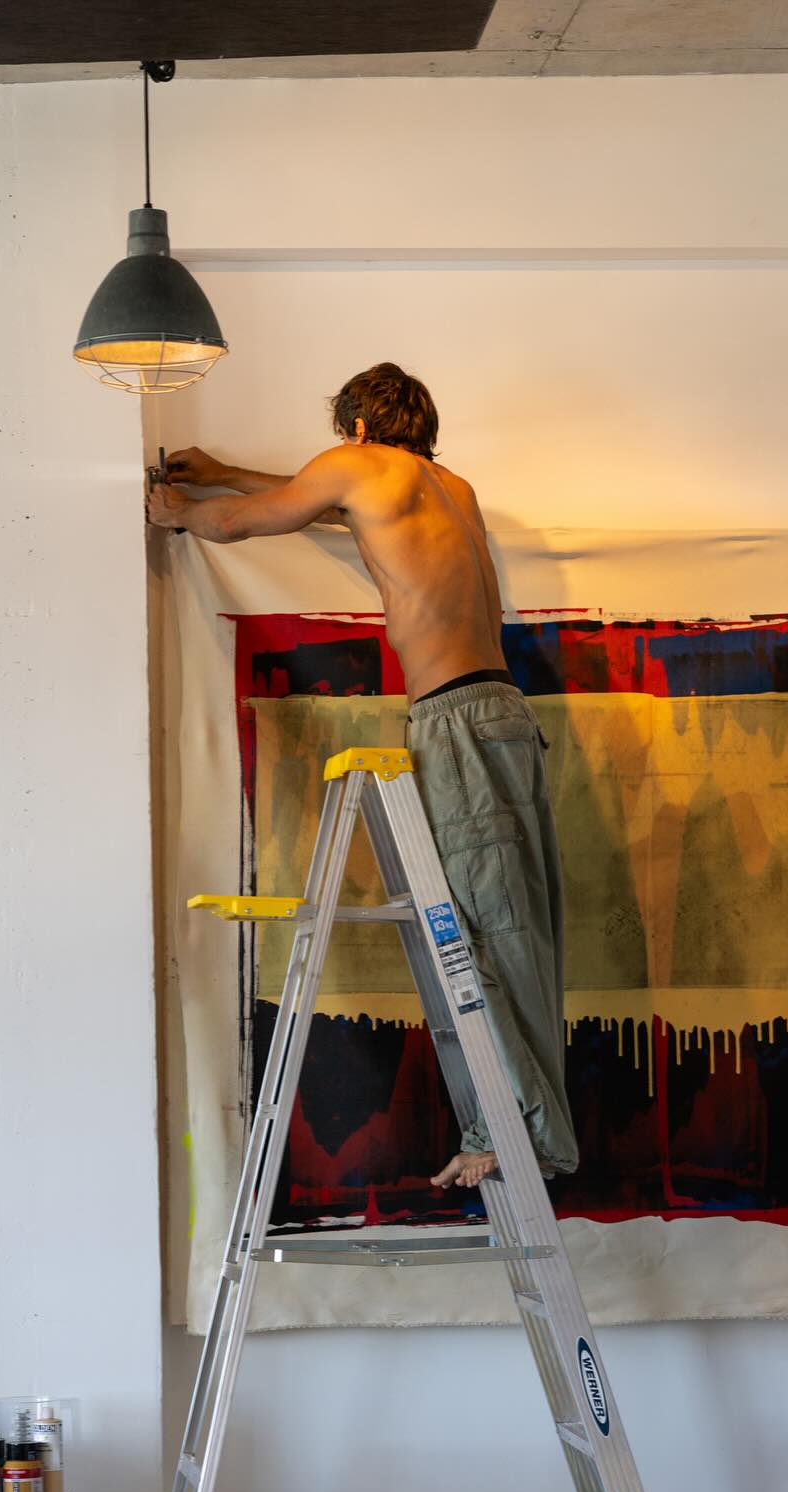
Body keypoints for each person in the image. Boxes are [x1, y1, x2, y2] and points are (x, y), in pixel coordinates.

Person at [147, 362, 576, 1191]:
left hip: (453, 720)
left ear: (354, 428)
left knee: (472, 929)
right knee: (519, 929)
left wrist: (179, 511)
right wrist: (226, 469)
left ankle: (509, 1131)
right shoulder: (453, 488)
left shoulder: (357, 466)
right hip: (504, 714)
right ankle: (533, 1127)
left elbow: (236, 524)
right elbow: (322, 500)